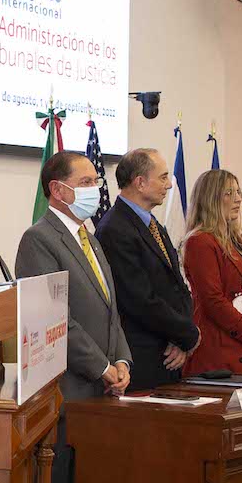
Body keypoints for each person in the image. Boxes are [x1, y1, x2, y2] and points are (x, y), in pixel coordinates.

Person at [17, 150, 132, 483]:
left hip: (98, 391)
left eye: (95, 178)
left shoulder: (89, 236)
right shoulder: (39, 240)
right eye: (85, 180)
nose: (94, 188)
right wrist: (101, 365)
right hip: (65, 389)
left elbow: (109, 309)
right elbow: (53, 315)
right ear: (57, 190)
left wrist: (122, 359)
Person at [97, 148, 198, 390]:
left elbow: (176, 284)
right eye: (163, 177)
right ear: (140, 183)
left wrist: (182, 338)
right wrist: (186, 335)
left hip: (169, 349)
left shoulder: (152, 222)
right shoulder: (115, 229)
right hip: (143, 355)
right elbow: (139, 299)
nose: (169, 185)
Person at [182, 169, 242, 374]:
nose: (238, 199)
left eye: (239, 192)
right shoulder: (200, 241)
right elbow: (213, 300)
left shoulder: (235, 239)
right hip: (219, 348)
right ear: (211, 199)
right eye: (229, 194)